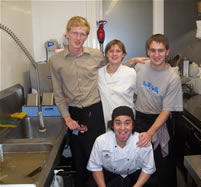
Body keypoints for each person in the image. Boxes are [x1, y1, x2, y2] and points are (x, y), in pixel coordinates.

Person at [49, 16, 148, 187]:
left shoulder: (96, 56)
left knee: (96, 155)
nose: (78, 38)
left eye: (83, 34)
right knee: (78, 157)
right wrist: (67, 118)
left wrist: (131, 62)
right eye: (75, 33)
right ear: (67, 34)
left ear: (87, 36)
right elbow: (57, 93)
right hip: (73, 114)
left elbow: (113, 65)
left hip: (94, 111)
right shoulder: (55, 61)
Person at [134, 34, 183, 186]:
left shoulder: (172, 77)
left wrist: (150, 133)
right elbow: (116, 68)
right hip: (139, 120)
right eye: (153, 50)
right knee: (140, 166)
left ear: (167, 52)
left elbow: (167, 110)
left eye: (160, 51)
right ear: (147, 52)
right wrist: (133, 60)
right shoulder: (139, 67)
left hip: (159, 123)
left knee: (162, 167)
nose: (156, 55)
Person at [87, 106, 156, 187]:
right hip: (109, 175)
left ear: (133, 125)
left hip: (135, 175)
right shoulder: (101, 141)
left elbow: (148, 168)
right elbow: (95, 167)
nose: (122, 128)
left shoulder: (142, 141)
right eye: (118, 123)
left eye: (127, 123)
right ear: (112, 125)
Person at [98, 40, 136, 129]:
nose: (114, 54)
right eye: (111, 51)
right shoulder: (99, 73)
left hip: (126, 122)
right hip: (107, 121)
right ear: (106, 54)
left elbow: (141, 95)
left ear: (123, 54)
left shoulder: (131, 73)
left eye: (118, 51)